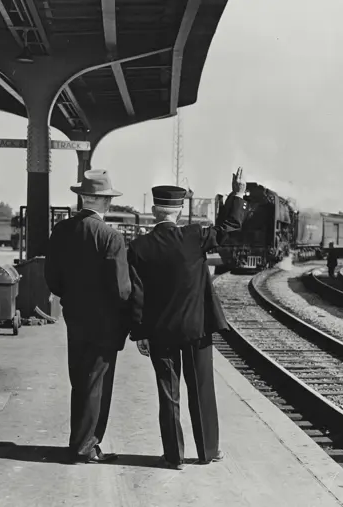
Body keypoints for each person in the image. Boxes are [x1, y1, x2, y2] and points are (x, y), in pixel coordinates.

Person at [128, 167, 248, 470]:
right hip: (197, 329)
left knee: (168, 392)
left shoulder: (138, 247)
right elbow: (229, 225)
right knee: (202, 389)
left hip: (159, 332)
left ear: (154, 211)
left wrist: (140, 332)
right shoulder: (195, 237)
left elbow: (136, 294)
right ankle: (208, 451)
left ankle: (174, 456)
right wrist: (238, 193)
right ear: (180, 212)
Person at [44, 169, 131, 464]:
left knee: (80, 380)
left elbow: (52, 279)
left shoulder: (61, 230)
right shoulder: (111, 237)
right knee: (97, 384)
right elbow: (122, 289)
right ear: (105, 201)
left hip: (74, 316)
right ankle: (87, 445)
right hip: (104, 321)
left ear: (82, 198)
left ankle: (79, 440)